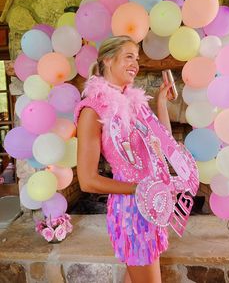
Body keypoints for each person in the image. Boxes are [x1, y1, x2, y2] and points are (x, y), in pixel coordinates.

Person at [75, 35, 173, 283]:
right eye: (129, 56)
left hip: (151, 202)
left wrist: (161, 101)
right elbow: (87, 181)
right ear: (108, 60)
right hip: (132, 210)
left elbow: (164, 144)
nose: (135, 64)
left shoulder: (135, 103)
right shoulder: (91, 110)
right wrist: (139, 189)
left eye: (137, 58)